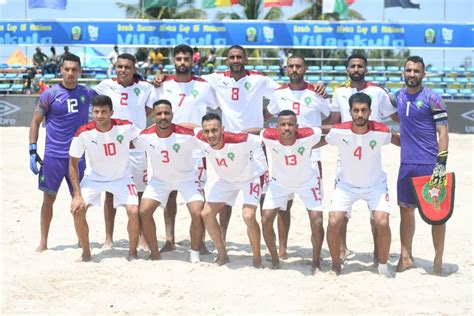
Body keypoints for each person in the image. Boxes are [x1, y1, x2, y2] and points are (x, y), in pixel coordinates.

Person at [328, 53, 399, 263]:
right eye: (353, 66)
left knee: (376, 213)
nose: (356, 69)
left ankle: (379, 252)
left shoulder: (377, 92)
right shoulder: (339, 92)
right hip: (346, 152)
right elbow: (334, 121)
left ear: (365, 69)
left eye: (360, 66)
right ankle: (341, 248)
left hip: (371, 148)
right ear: (347, 69)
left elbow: (393, 115)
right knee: (341, 211)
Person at [29, 53, 97, 252]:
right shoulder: (49, 95)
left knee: (80, 201)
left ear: (80, 71)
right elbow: (35, 122)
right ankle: (43, 242)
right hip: (53, 157)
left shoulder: (89, 93)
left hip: (78, 158)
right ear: (61, 70)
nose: (70, 73)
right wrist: (32, 150)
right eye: (66, 69)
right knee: (48, 200)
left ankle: (81, 240)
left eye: (74, 69)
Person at [153, 44, 218, 253]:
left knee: (198, 197)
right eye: (179, 58)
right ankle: (170, 239)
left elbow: (219, 106)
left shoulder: (205, 86)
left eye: (186, 59)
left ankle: (198, 242)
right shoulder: (162, 85)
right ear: (174, 61)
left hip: (196, 150)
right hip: (167, 147)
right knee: (169, 195)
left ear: (193, 61)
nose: (182, 62)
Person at [266, 55, 331, 259]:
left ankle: (316, 255)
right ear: (286, 69)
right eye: (291, 66)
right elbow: (269, 115)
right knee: (284, 205)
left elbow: (329, 117)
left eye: (298, 66)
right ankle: (282, 248)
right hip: (284, 156)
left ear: (305, 69)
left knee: (314, 209)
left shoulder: (317, 92)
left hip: (311, 156)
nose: (294, 69)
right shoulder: (278, 94)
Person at [390, 56, 449, 276]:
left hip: (429, 164)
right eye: (408, 70)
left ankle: (438, 261)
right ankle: (406, 256)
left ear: (423, 74)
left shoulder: (433, 97)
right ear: (403, 73)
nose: (412, 74)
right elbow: (379, 103)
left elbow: (443, 132)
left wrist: (440, 165)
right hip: (406, 163)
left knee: (437, 214)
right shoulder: (398, 96)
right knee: (406, 211)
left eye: (416, 71)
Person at [69, 95, 141, 261]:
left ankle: (132, 252)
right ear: (92, 113)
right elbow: (72, 164)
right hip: (94, 178)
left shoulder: (126, 127)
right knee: (77, 210)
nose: (100, 115)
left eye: (103, 112)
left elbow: (146, 138)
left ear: (111, 113)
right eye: (96, 112)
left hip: (122, 177)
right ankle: (86, 253)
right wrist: (77, 195)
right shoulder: (83, 133)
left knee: (134, 211)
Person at [94, 53, 155, 248]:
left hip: (137, 148)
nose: (123, 70)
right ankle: (108, 238)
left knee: (139, 193)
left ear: (134, 69)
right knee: (110, 192)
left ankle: (142, 237)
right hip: (112, 148)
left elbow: (148, 109)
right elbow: (99, 109)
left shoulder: (145, 87)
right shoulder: (105, 85)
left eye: (127, 67)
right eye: (120, 66)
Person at [133, 99, 205, 262]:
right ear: (153, 116)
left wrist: (195, 127)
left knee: (197, 212)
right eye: (159, 113)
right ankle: (155, 252)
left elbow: (208, 139)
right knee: (143, 211)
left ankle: (194, 252)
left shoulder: (186, 134)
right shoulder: (145, 135)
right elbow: (126, 144)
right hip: (160, 181)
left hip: (187, 179)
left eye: (167, 113)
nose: (163, 116)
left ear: (172, 115)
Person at [195, 113, 268, 267]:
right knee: (206, 214)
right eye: (206, 131)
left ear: (222, 129)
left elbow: (264, 135)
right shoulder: (200, 137)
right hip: (226, 180)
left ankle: (257, 258)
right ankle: (222, 254)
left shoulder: (239, 139)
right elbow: (189, 128)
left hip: (249, 178)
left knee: (248, 216)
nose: (211, 135)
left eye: (215, 130)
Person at [260, 110, 326, 271]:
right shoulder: (268, 136)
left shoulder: (308, 134)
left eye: (290, 124)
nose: (287, 128)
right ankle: (276, 260)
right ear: (277, 127)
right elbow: (256, 131)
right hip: (279, 184)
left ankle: (316, 261)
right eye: (283, 124)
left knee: (317, 220)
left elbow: (327, 130)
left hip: (307, 182)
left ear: (297, 126)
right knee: (266, 219)